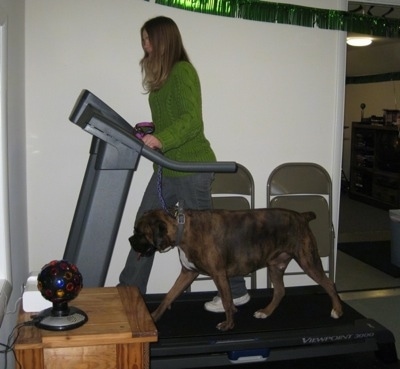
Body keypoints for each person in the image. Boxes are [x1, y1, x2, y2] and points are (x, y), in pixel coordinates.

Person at [119, 16, 249, 312]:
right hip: (165, 167)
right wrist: (153, 132)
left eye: (148, 39)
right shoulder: (161, 81)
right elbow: (173, 119)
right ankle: (129, 291)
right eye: (143, 40)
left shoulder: (183, 71)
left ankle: (237, 291)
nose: (145, 45)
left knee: (207, 237)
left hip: (192, 168)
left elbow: (192, 121)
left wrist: (162, 139)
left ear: (164, 40)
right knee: (143, 226)